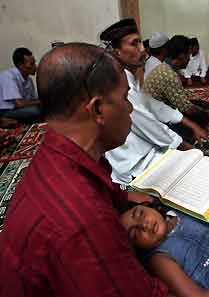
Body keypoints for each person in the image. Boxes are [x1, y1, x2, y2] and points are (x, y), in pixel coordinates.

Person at [0, 43, 168, 297]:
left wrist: (126, 194)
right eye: (124, 99)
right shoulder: (86, 220)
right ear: (98, 109)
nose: (130, 108)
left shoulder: (58, 152)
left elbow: (107, 187)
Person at [99, 19, 206, 184]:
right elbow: (149, 124)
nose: (143, 49)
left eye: (141, 42)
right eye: (134, 44)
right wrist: (189, 150)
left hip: (148, 150)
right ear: (116, 51)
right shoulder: (117, 84)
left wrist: (188, 123)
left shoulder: (127, 75)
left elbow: (151, 104)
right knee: (200, 176)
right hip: (136, 166)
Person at [144, 35, 209, 142]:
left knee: (202, 105)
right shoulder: (169, 75)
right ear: (181, 55)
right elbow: (187, 109)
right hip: (158, 120)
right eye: (189, 54)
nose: (190, 58)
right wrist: (204, 114)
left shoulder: (163, 66)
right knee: (201, 116)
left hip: (159, 110)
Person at [0, 47, 42, 122]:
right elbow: (20, 104)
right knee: (36, 111)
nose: (35, 67)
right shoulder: (8, 76)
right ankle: (3, 119)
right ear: (20, 65)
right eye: (31, 64)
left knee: (44, 108)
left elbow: (33, 100)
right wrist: (42, 102)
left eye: (34, 63)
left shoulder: (29, 80)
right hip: (5, 111)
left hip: (18, 109)